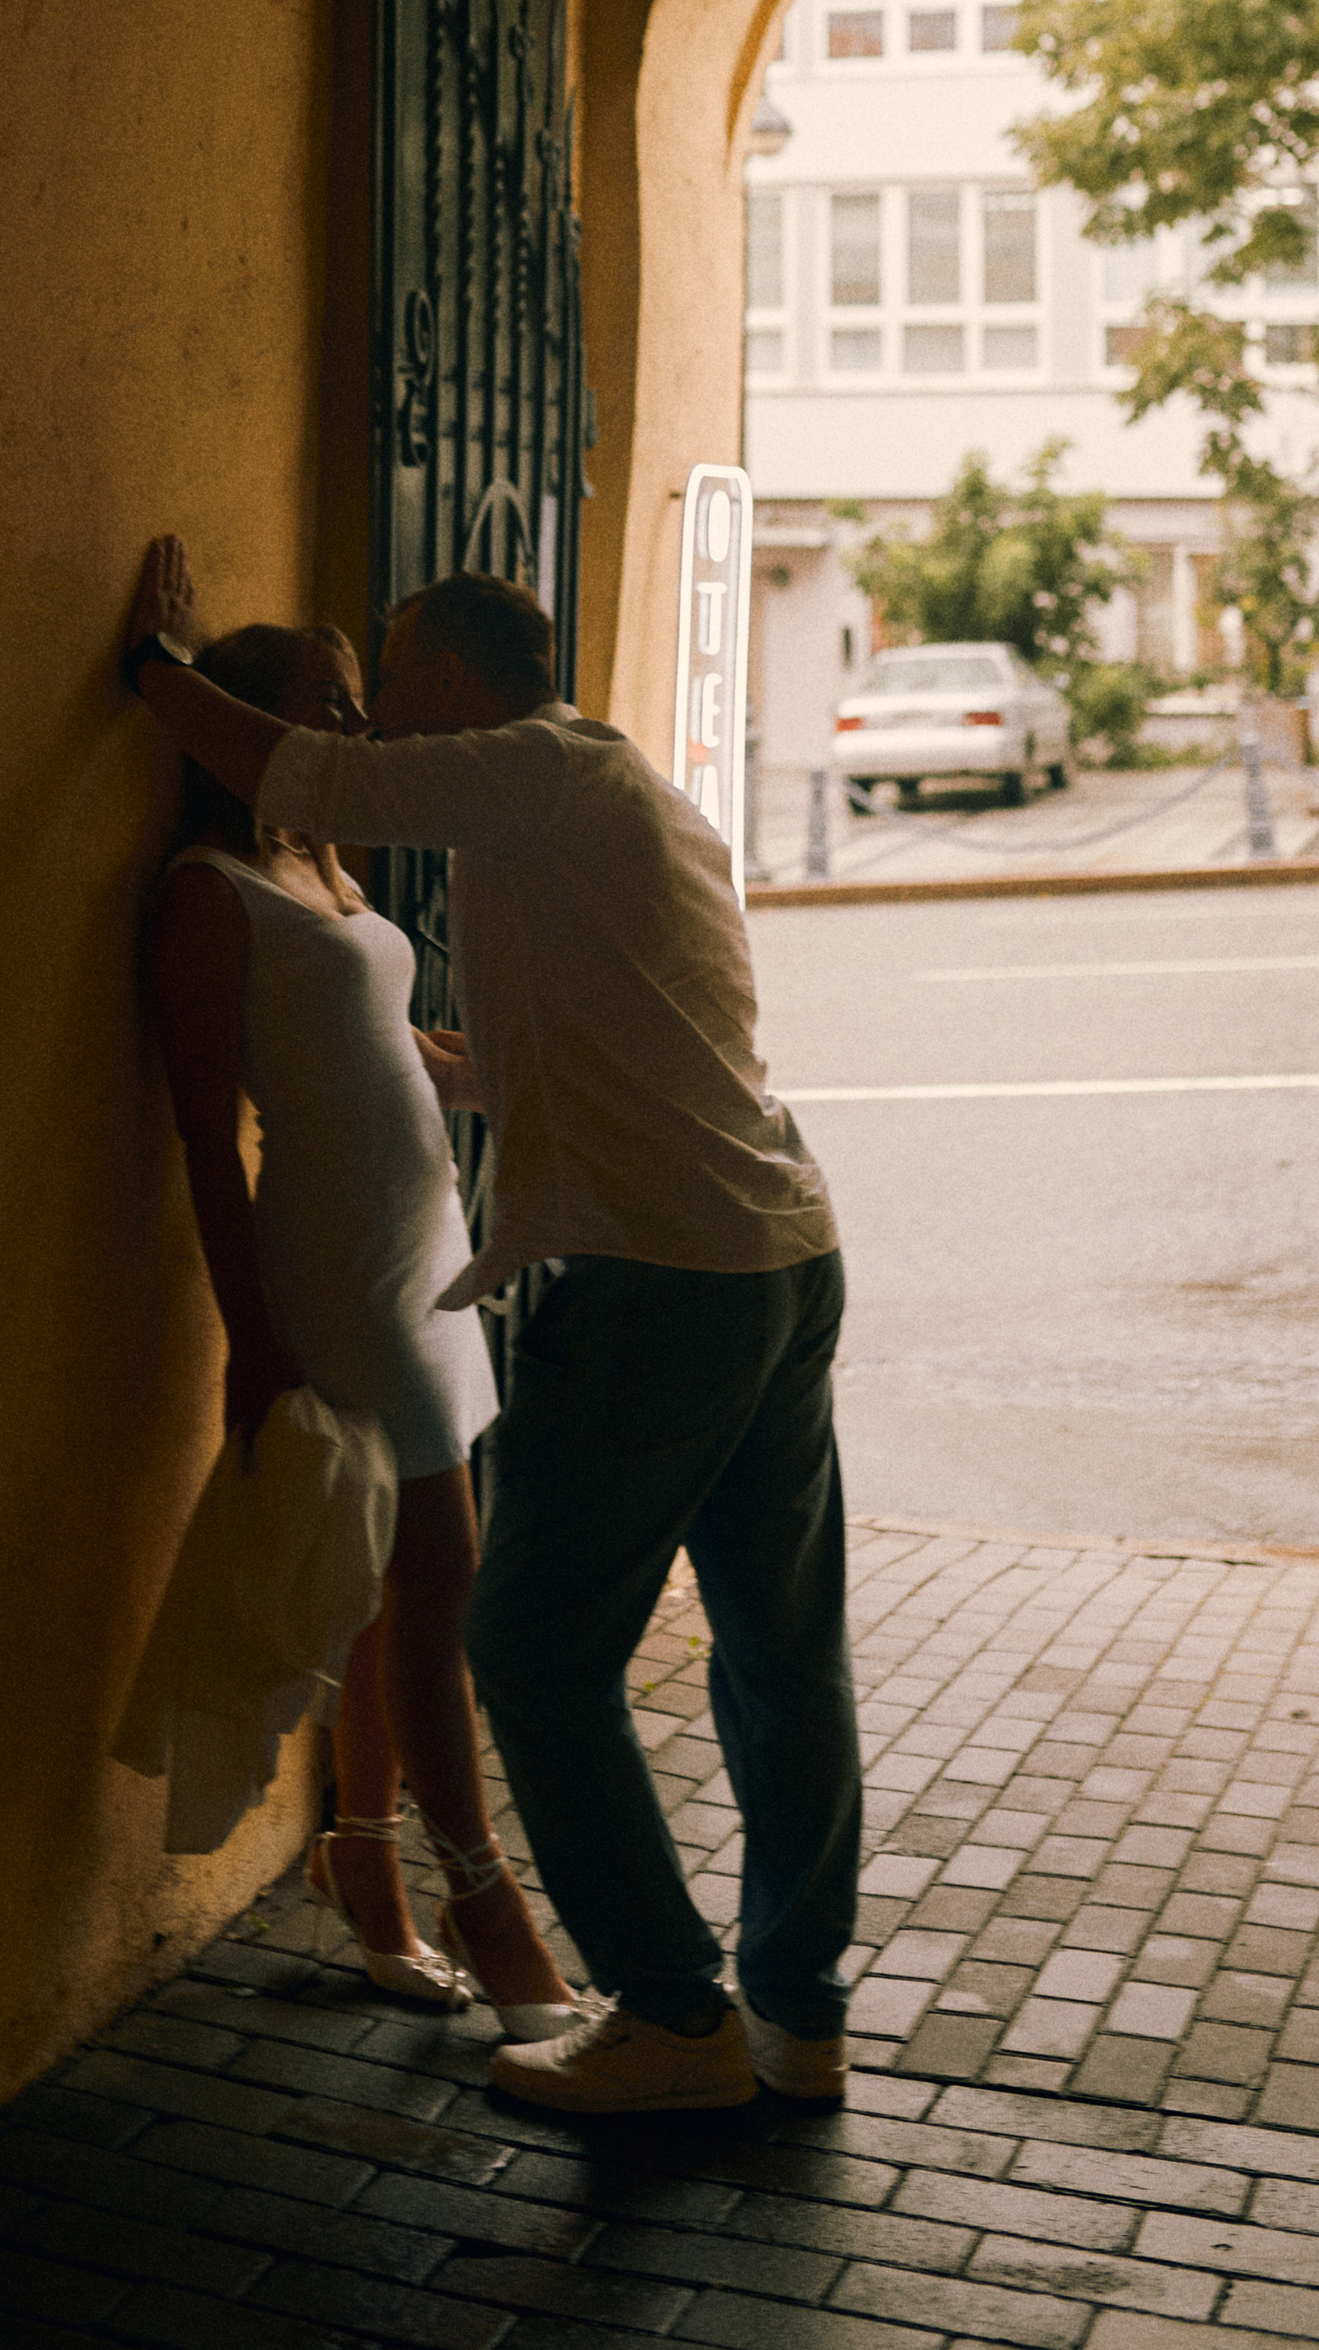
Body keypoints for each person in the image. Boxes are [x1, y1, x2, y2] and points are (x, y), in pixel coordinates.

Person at [123, 539, 860, 2118]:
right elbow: (593, 1037)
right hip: (778, 1248)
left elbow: (291, 764)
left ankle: (670, 2016)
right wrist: (436, 1070)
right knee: (785, 1653)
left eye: (389, 681)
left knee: (524, 1645)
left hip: (662, 1279)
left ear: (456, 682)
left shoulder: (525, 773)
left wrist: (150, 672)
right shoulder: (615, 785)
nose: (377, 718)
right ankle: (797, 2017)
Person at [144, 616, 573, 2036]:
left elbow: (399, 1057)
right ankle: (477, 1898)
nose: (351, 731)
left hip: (426, 1253)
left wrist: (552, 1080)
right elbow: (210, 1142)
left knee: (407, 1588)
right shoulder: (207, 894)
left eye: (351, 703)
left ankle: (365, 1865)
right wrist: (249, 1342)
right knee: (441, 1573)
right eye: (324, 705)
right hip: (333, 1267)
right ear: (240, 726)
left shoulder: (327, 867)